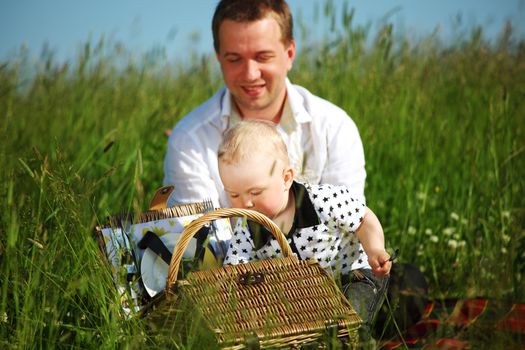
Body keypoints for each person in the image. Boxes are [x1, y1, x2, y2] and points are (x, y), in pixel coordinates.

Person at [163, 0, 366, 209]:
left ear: (289, 54)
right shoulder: (189, 140)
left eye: (263, 57)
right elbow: (201, 235)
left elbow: (347, 224)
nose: (250, 74)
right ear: (219, 58)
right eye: (234, 59)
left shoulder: (334, 128)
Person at [218, 120, 392, 336]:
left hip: (351, 277)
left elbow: (363, 218)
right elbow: (235, 269)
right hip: (302, 297)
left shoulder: (323, 201)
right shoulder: (248, 227)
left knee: (352, 318)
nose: (245, 203)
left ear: (286, 178)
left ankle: (361, 335)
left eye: (255, 192)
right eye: (233, 195)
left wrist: (375, 249)